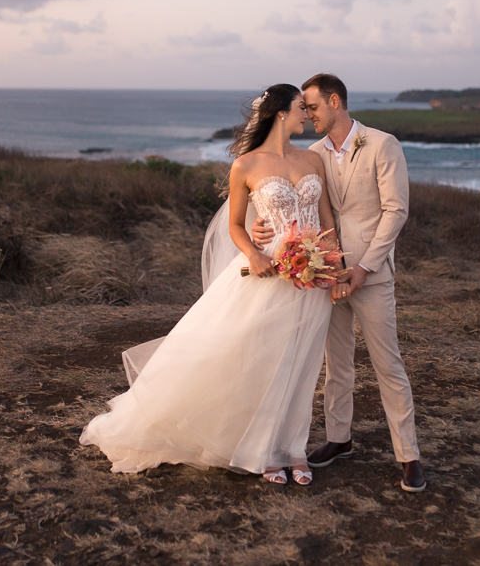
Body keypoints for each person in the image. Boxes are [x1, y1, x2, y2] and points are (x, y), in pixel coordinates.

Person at [79, 84, 340, 485]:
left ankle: (293, 448)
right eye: (300, 108)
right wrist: (254, 254)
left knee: (301, 362)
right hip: (267, 273)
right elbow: (236, 225)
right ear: (281, 113)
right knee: (263, 359)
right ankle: (265, 451)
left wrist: (330, 264)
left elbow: (326, 223)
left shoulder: (313, 161)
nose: (307, 114)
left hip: (311, 278)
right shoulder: (246, 165)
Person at [252, 74, 426, 492]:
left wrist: (364, 267)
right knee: (336, 366)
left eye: (311, 107)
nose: (306, 114)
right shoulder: (312, 153)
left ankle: (409, 455)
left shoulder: (383, 145)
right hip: (324, 274)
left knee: (389, 365)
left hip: (371, 273)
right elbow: (291, 204)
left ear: (335, 101)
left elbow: (395, 211)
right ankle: (338, 438)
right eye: (303, 109)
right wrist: (261, 230)